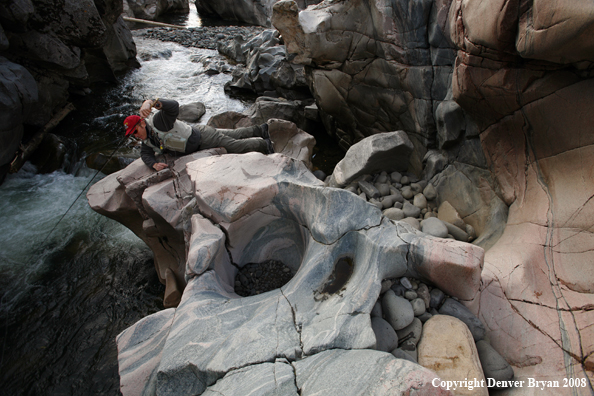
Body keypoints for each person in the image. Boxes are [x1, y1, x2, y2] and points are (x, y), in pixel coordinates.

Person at [124, 98, 273, 171]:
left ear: (142, 123)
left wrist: (151, 102)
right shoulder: (147, 141)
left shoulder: (158, 122)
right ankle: (262, 129)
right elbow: (145, 155)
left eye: (135, 131)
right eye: (132, 134)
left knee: (235, 145)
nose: (135, 135)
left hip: (203, 137)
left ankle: (266, 145)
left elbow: (173, 107)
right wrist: (154, 164)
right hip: (199, 138)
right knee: (235, 134)